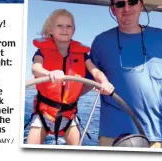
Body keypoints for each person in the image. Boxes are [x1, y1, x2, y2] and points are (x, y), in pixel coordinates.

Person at [90, 0, 162, 149]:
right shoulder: (100, 41)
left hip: (161, 135)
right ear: (113, 9)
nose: (127, 8)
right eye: (120, 4)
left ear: (141, 4)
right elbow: (85, 82)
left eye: (132, 1)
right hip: (114, 138)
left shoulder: (161, 37)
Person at [26, 9, 114, 145]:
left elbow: (95, 72)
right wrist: (49, 73)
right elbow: (35, 68)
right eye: (59, 26)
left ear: (73, 30)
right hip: (44, 114)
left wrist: (105, 82)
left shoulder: (83, 55)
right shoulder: (41, 52)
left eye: (69, 26)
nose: (64, 29)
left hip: (69, 115)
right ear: (50, 30)